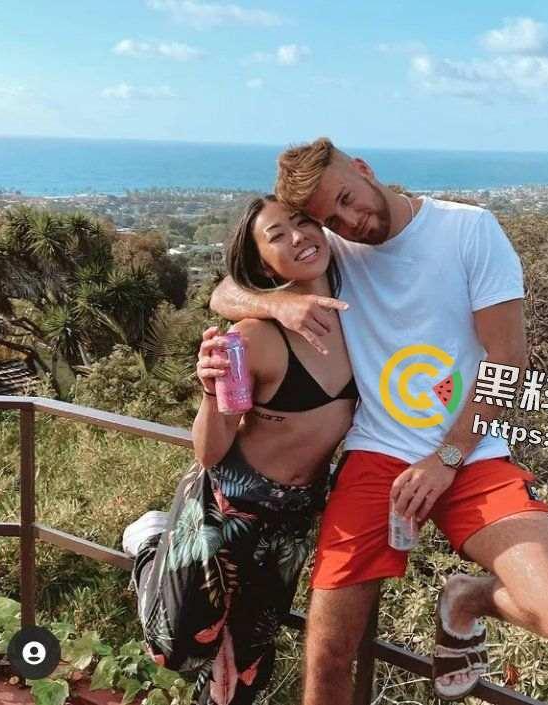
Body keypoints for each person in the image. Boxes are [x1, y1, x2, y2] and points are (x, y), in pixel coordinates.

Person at [210, 138, 548, 702]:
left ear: (364, 169)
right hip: (377, 454)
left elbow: (509, 363)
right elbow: (227, 290)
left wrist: (446, 459)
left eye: (347, 199)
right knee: (327, 656)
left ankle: (466, 597)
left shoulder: (468, 230)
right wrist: (278, 304)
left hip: (468, 450)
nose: (349, 221)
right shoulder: (334, 248)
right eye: (330, 218)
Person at [122, 195, 358, 705]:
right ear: (264, 266)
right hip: (226, 505)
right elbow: (210, 453)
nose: (297, 236)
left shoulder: (363, 321)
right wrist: (211, 394)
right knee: (176, 647)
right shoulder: (253, 338)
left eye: (303, 222)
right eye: (277, 235)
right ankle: (150, 545)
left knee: (244, 670)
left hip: (292, 517)